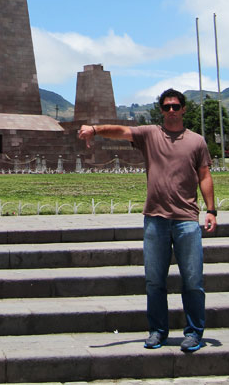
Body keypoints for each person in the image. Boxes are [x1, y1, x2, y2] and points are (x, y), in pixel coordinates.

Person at [78, 88, 217, 353]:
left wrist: (211, 210)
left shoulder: (196, 141)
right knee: (154, 281)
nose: (172, 111)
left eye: (176, 106)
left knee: (193, 281)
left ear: (184, 109)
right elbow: (120, 131)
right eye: (167, 107)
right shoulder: (150, 134)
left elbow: (204, 175)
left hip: (187, 219)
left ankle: (194, 333)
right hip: (155, 219)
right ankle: (157, 331)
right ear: (161, 110)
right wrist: (95, 130)